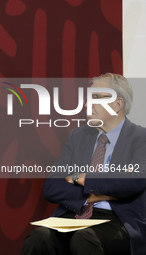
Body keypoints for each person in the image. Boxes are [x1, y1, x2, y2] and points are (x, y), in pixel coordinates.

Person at [21, 73, 146, 255]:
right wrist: (95, 196)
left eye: (95, 98)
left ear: (117, 105)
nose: (87, 105)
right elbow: (51, 186)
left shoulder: (140, 138)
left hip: (118, 220)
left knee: (84, 239)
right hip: (75, 213)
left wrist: (83, 178)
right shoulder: (78, 136)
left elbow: (133, 181)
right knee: (38, 238)